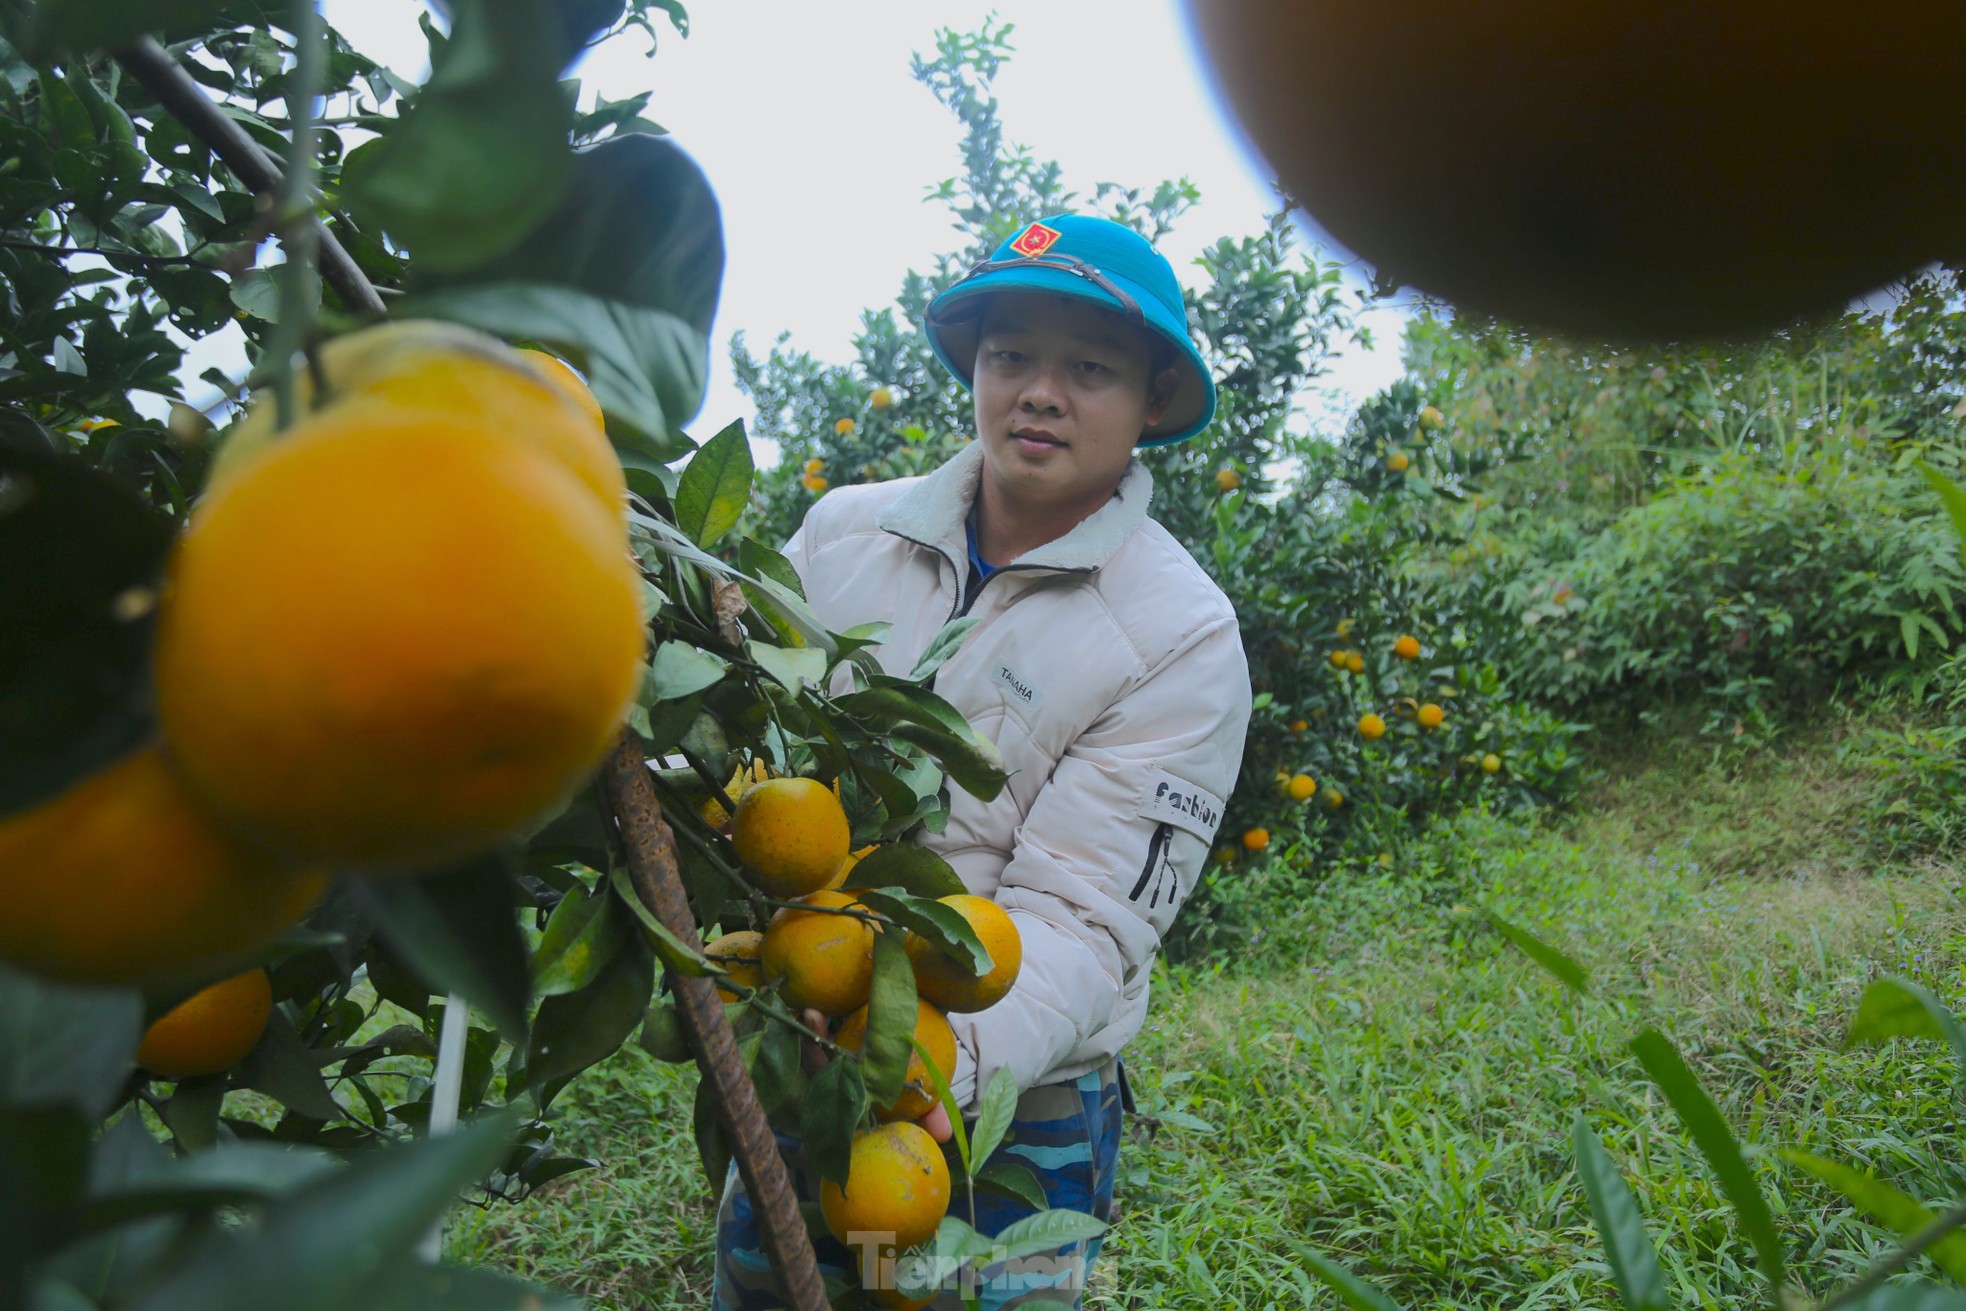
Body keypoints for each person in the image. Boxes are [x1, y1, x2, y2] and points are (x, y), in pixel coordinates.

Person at [714, 214, 1252, 1309]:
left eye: (1088, 368)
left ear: (1152, 397)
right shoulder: (843, 538)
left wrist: (915, 1066)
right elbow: (755, 761)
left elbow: (1082, 920)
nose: (1039, 393)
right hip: (797, 1028)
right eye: (1011, 357)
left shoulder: (1177, 636)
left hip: (1009, 1101)